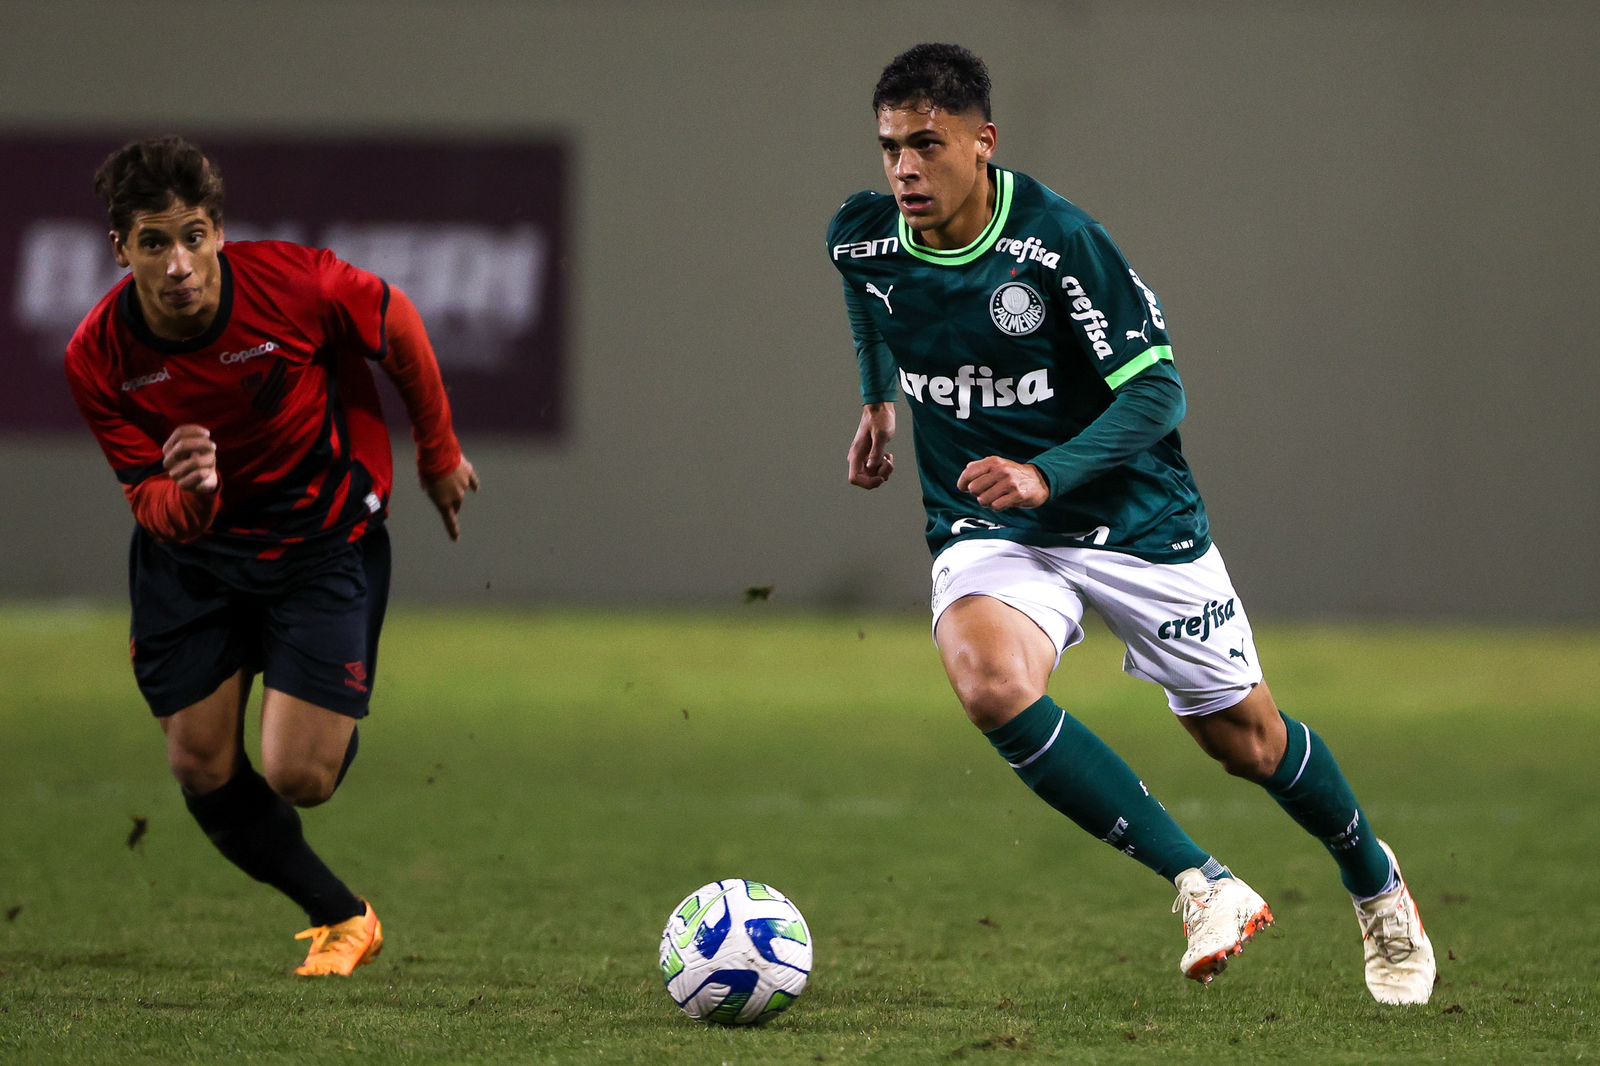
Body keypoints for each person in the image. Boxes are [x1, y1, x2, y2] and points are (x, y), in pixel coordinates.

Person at [828, 44, 1434, 1003]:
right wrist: (876, 404)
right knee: (989, 683)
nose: (903, 168)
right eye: (890, 146)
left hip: (1132, 518)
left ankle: (1377, 885)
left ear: (982, 144)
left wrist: (1047, 472)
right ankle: (1205, 883)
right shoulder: (863, 236)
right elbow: (867, 300)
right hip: (986, 522)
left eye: (927, 145)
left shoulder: (1061, 242)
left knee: (1249, 744)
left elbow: (1159, 392)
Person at [65, 136, 478, 977]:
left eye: (192, 236)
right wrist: (197, 495)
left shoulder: (297, 284)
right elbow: (147, 499)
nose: (177, 264)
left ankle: (324, 685)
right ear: (121, 250)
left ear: (217, 231)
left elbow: (396, 320)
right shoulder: (98, 356)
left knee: (301, 776)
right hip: (197, 557)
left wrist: (437, 453)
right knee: (197, 761)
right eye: (153, 242)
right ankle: (342, 917)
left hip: (319, 539)